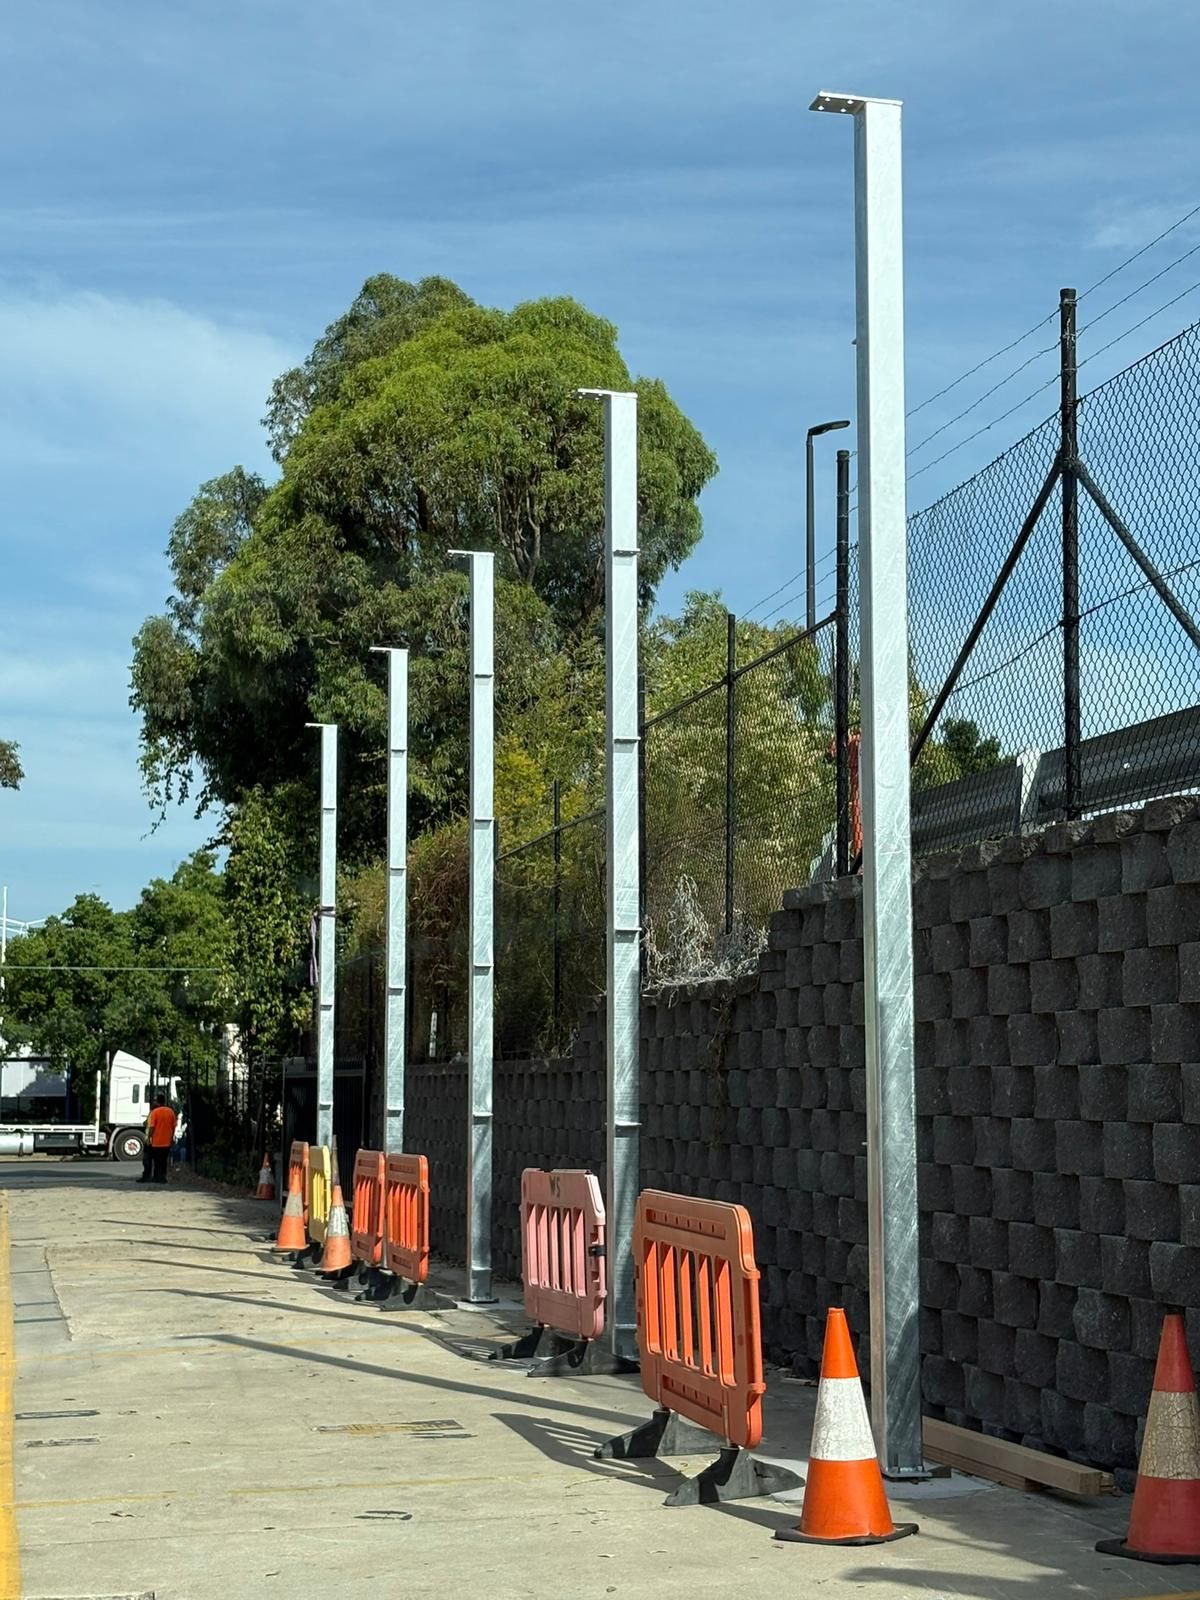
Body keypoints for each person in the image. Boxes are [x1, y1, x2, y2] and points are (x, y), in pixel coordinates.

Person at [145, 1093, 178, 1186]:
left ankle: (156, 1177)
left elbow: (152, 1127)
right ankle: (163, 1177)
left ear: (158, 1102)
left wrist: (149, 1137)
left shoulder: (155, 1112)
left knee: (156, 1161)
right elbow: (174, 1126)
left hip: (156, 1141)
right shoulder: (170, 1112)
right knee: (164, 1161)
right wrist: (171, 1137)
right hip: (166, 1141)